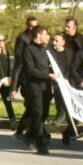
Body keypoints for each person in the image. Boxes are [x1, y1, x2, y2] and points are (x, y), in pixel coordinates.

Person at [20, 25, 57, 155]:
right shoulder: (28, 50)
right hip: (34, 86)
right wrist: (48, 75)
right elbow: (31, 71)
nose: (48, 37)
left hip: (46, 87)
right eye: (45, 34)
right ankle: (40, 144)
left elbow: (50, 67)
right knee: (38, 113)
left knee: (44, 114)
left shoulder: (46, 50)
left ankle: (29, 136)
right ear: (38, 35)